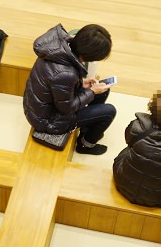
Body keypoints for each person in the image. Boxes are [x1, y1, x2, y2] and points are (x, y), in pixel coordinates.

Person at [23, 23, 116, 155]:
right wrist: (92, 91)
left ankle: (87, 128)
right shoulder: (66, 74)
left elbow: (57, 86)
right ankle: (85, 145)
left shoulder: (58, 49)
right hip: (47, 121)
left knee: (103, 90)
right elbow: (66, 108)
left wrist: (82, 85)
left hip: (40, 106)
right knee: (109, 112)